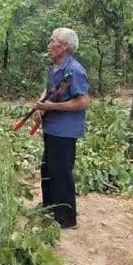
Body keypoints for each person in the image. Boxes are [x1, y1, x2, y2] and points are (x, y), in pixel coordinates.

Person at [33, 28, 90, 229]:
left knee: (61, 172)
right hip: (52, 128)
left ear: (63, 47)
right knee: (48, 169)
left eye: (52, 40)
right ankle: (50, 208)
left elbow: (83, 102)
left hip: (65, 131)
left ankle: (65, 219)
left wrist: (51, 107)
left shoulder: (74, 71)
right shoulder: (57, 67)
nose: (49, 44)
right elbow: (50, 90)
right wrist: (40, 105)